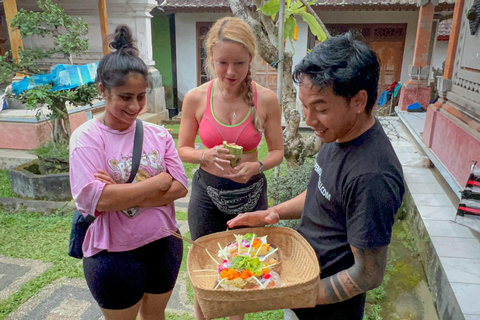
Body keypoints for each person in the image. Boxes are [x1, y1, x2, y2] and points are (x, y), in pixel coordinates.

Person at [227, 32, 405, 320]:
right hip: (301, 288)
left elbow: (368, 274)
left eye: (320, 109)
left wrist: (295, 294)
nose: (309, 121)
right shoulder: (338, 133)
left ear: (359, 101)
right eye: (305, 106)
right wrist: (273, 213)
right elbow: (324, 192)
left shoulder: (372, 176)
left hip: (327, 310)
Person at [69, 25, 188, 320]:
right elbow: (97, 201)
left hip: (164, 245)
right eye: (125, 97)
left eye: (140, 96)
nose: (135, 106)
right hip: (113, 255)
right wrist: (158, 182)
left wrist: (123, 193)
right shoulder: (86, 139)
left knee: (156, 317)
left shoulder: (158, 135)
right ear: (102, 91)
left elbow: (181, 187)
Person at [177, 17, 284, 320]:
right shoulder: (197, 98)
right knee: (204, 266)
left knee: (246, 266)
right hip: (207, 195)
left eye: (239, 62)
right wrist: (205, 155)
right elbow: (182, 148)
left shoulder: (266, 99)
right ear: (210, 58)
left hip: (251, 193)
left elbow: (278, 151)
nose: (231, 72)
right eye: (222, 62)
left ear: (251, 58)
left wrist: (257, 165)